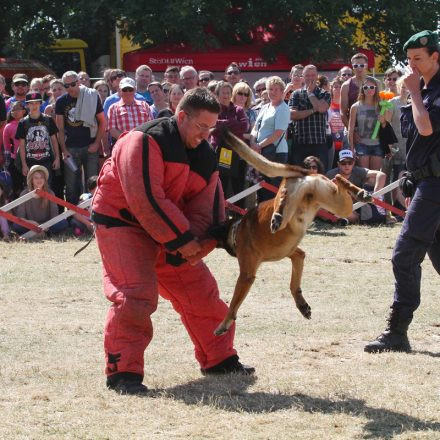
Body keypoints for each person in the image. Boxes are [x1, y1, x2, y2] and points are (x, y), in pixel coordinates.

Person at [92, 87, 254, 395]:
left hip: (168, 229)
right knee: (135, 296)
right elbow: (145, 199)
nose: (207, 135)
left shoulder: (204, 156)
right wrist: (184, 241)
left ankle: (219, 358)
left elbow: (208, 209)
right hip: (122, 224)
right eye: (202, 127)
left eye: (211, 129)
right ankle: (122, 372)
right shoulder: (142, 141)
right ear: (182, 117)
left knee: (202, 293)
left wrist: (202, 243)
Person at [364, 30, 440, 353]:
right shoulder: (421, 88)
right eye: (408, 60)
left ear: (436, 56)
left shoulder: (430, 90)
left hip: (437, 185)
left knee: (404, 253)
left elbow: (426, 127)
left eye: (418, 59)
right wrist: (411, 175)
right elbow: (419, 140)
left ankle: (397, 331)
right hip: (426, 180)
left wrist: (413, 95)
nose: (412, 66)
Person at [55, 71, 106, 205]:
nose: (70, 88)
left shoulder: (91, 96)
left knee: (93, 184)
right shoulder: (61, 101)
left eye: (72, 84)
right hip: (70, 148)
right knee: (71, 186)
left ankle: (93, 215)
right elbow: (59, 128)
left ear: (78, 82)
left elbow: (102, 122)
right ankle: (73, 219)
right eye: (66, 86)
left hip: (90, 147)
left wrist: (96, 143)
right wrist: (64, 150)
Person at [251, 76, 290, 201]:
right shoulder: (264, 107)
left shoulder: (283, 108)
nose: (272, 92)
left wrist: (259, 146)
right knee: (263, 188)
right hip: (261, 152)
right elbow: (256, 128)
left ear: (282, 91)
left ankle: (273, 217)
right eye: (270, 89)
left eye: (276, 89)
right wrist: (252, 141)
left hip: (276, 153)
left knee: (274, 188)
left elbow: (278, 133)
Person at [210, 81, 249, 202]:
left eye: (228, 92)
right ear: (217, 94)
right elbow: (213, 128)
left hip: (236, 152)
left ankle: (239, 217)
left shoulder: (238, 109)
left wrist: (223, 124)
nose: (226, 95)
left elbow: (244, 126)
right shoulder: (213, 109)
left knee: (238, 187)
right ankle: (221, 217)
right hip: (218, 151)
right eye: (223, 92)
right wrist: (233, 122)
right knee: (221, 186)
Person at [326, 149, 386, 224]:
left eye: (349, 162)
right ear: (338, 164)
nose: (347, 165)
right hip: (337, 204)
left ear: (353, 163)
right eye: (343, 163)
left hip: (356, 205)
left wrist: (376, 194)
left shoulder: (357, 171)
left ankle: (344, 219)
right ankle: (342, 218)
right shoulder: (331, 174)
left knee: (372, 179)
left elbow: (381, 174)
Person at [289, 64, 331, 170]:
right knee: (300, 176)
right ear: (303, 76)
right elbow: (293, 115)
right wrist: (313, 110)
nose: (310, 78)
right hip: (300, 142)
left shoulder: (324, 93)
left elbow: (322, 109)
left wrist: (310, 94)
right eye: (307, 75)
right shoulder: (296, 94)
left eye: (313, 75)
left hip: (319, 142)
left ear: (317, 76)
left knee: (320, 176)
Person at [348, 75, 391, 171]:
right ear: (362, 89)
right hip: (361, 144)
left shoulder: (382, 105)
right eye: (366, 87)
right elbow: (350, 129)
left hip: (378, 144)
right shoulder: (356, 106)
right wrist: (351, 148)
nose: (369, 89)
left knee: (375, 176)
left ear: (376, 89)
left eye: (372, 87)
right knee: (365, 175)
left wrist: (383, 120)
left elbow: (386, 126)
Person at [12, 165, 68, 237]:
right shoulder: (24, 193)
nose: (39, 180)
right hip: (30, 225)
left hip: (47, 225)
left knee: (63, 222)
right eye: (36, 178)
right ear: (31, 180)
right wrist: (32, 223)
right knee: (16, 225)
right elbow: (20, 217)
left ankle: (43, 233)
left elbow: (54, 215)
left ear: (45, 180)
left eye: (41, 177)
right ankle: (42, 234)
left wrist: (45, 226)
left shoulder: (50, 193)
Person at [16, 92, 61, 180]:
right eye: (31, 103)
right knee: (31, 187)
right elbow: (21, 145)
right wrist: (24, 164)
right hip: (30, 161)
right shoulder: (23, 123)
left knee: (47, 185)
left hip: (47, 160)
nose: (34, 105)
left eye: (36, 103)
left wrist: (57, 158)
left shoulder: (48, 120)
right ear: (27, 105)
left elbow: (54, 140)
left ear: (41, 103)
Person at [108, 77, 152, 141]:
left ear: (135, 90)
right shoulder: (113, 108)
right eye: (125, 89)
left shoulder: (144, 105)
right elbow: (112, 129)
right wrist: (128, 140)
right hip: (123, 145)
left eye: (130, 89)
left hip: (142, 143)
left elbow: (150, 125)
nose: (128, 92)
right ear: (120, 91)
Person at [3, 101, 27, 197]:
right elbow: (7, 147)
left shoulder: (28, 123)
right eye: (13, 109)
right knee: (16, 187)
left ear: (24, 111)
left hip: (29, 158)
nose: (15, 111)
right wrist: (7, 164)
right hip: (14, 160)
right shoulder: (8, 127)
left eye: (18, 109)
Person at [340, 53, 369, 130]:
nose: (359, 68)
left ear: (366, 66)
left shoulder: (375, 83)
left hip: (372, 128)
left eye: (362, 65)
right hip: (354, 128)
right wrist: (351, 131)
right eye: (356, 66)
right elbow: (343, 113)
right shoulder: (346, 86)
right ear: (352, 67)